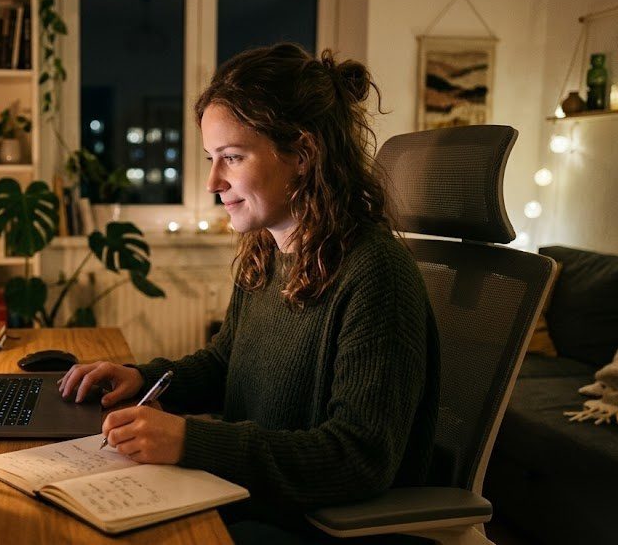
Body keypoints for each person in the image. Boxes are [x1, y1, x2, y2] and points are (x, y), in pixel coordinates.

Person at [57, 43, 439, 543]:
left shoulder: (376, 275)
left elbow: (358, 458)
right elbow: (224, 365)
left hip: (309, 525)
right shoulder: (266, 252)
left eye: (231, 158)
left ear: (303, 155)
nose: (214, 181)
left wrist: (192, 441)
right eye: (212, 158)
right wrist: (142, 378)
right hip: (245, 497)